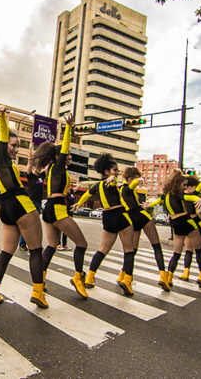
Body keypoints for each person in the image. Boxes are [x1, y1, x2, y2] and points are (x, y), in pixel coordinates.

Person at [0, 105, 47, 309]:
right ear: (1, 145)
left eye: (17, 145)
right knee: (36, 250)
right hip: (20, 204)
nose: (15, 148)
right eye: (12, 145)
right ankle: (38, 292)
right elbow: (2, 135)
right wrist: (3, 117)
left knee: (6, 253)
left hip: (7, 209)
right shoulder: (1, 159)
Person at [32, 113, 88, 299]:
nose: (69, 156)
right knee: (82, 243)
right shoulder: (57, 167)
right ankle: (78, 278)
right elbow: (64, 148)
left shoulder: (52, 170)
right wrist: (69, 128)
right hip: (56, 209)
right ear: (58, 156)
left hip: (50, 208)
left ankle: (40, 280)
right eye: (68, 155)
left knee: (51, 246)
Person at [72, 152, 136, 296]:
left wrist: (79, 204)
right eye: (115, 170)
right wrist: (113, 178)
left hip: (107, 217)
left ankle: (89, 277)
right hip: (120, 215)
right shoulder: (111, 181)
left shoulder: (97, 185)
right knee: (129, 250)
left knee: (102, 250)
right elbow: (112, 181)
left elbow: (87, 194)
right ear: (106, 171)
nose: (117, 172)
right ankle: (127, 281)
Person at [148, 169, 201, 289]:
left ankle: (168, 278)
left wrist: (147, 205)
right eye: (184, 185)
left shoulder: (165, 196)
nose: (185, 187)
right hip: (187, 221)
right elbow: (192, 198)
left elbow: (156, 202)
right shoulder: (181, 195)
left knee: (176, 253)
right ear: (177, 184)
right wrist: (200, 199)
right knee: (198, 249)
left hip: (175, 224)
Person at [119, 167, 170, 291]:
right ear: (130, 179)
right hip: (141, 215)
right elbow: (132, 186)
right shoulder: (128, 188)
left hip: (131, 218)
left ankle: (124, 276)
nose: (139, 182)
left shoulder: (119, 189)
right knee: (156, 246)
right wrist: (139, 180)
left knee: (132, 251)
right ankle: (163, 276)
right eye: (136, 178)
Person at [20, 146, 45, 251]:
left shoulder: (41, 177)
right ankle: (22, 243)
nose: (38, 169)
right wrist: (30, 148)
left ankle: (34, 244)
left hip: (39, 202)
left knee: (35, 224)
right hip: (31, 201)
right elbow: (29, 163)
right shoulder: (31, 176)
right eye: (36, 168)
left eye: (39, 168)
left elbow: (48, 167)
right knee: (28, 223)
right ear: (34, 168)